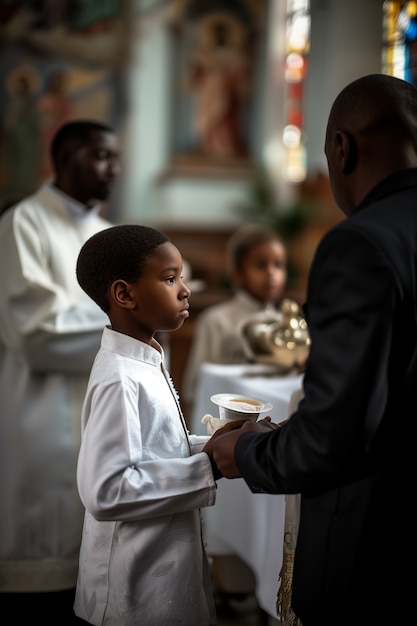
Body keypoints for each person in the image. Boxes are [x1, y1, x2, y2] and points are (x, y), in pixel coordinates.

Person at [210, 73, 417, 625]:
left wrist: (248, 452)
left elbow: (336, 436)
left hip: (375, 553)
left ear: (342, 149)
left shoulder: (362, 244)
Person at [73, 224, 243, 625]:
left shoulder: (146, 357)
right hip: (133, 591)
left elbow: (155, 448)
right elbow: (107, 490)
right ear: (124, 294)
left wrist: (210, 444)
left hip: (163, 567)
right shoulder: (120, 378)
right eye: (170, 278)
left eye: (181, 276)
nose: (185, 290)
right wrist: (211, 466)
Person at [0, 120, 121, 623]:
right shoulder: (22, 223)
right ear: (65, 158)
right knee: (44, 561)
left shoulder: (104, 233)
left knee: (92, 570)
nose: (113, 169)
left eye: (116, 158)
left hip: (99, 413)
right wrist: (128, 321)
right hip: (41, 415)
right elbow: (34, 332)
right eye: (101, 156)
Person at [183, 224, 288, 411]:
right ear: (237, 274)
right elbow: (198, 383)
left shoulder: (285, 323)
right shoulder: (216, 319)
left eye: (278, 265)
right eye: (260, 265)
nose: (271, 273)